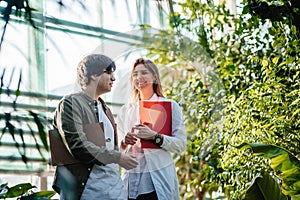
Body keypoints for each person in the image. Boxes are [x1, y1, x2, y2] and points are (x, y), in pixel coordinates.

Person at [51, 54, 138, 200]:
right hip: (87, 191)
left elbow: (109, 149)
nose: (113, 78)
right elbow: (78, 146)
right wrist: (118, 157)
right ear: (93, 75)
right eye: (108, 72)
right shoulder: (71, 103)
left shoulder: (106, 110)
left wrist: (123, 146)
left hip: (114, 190)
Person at [116, 58, 186, 200]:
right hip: (132, 181)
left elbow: (180, 145)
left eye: (144, 73)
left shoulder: (170, 106)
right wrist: (124, 142)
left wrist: (155, 136)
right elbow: (116, 149)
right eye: (135, 74)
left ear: (154, 77)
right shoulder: (126, 110)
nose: (139, 77)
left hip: (157, 182)